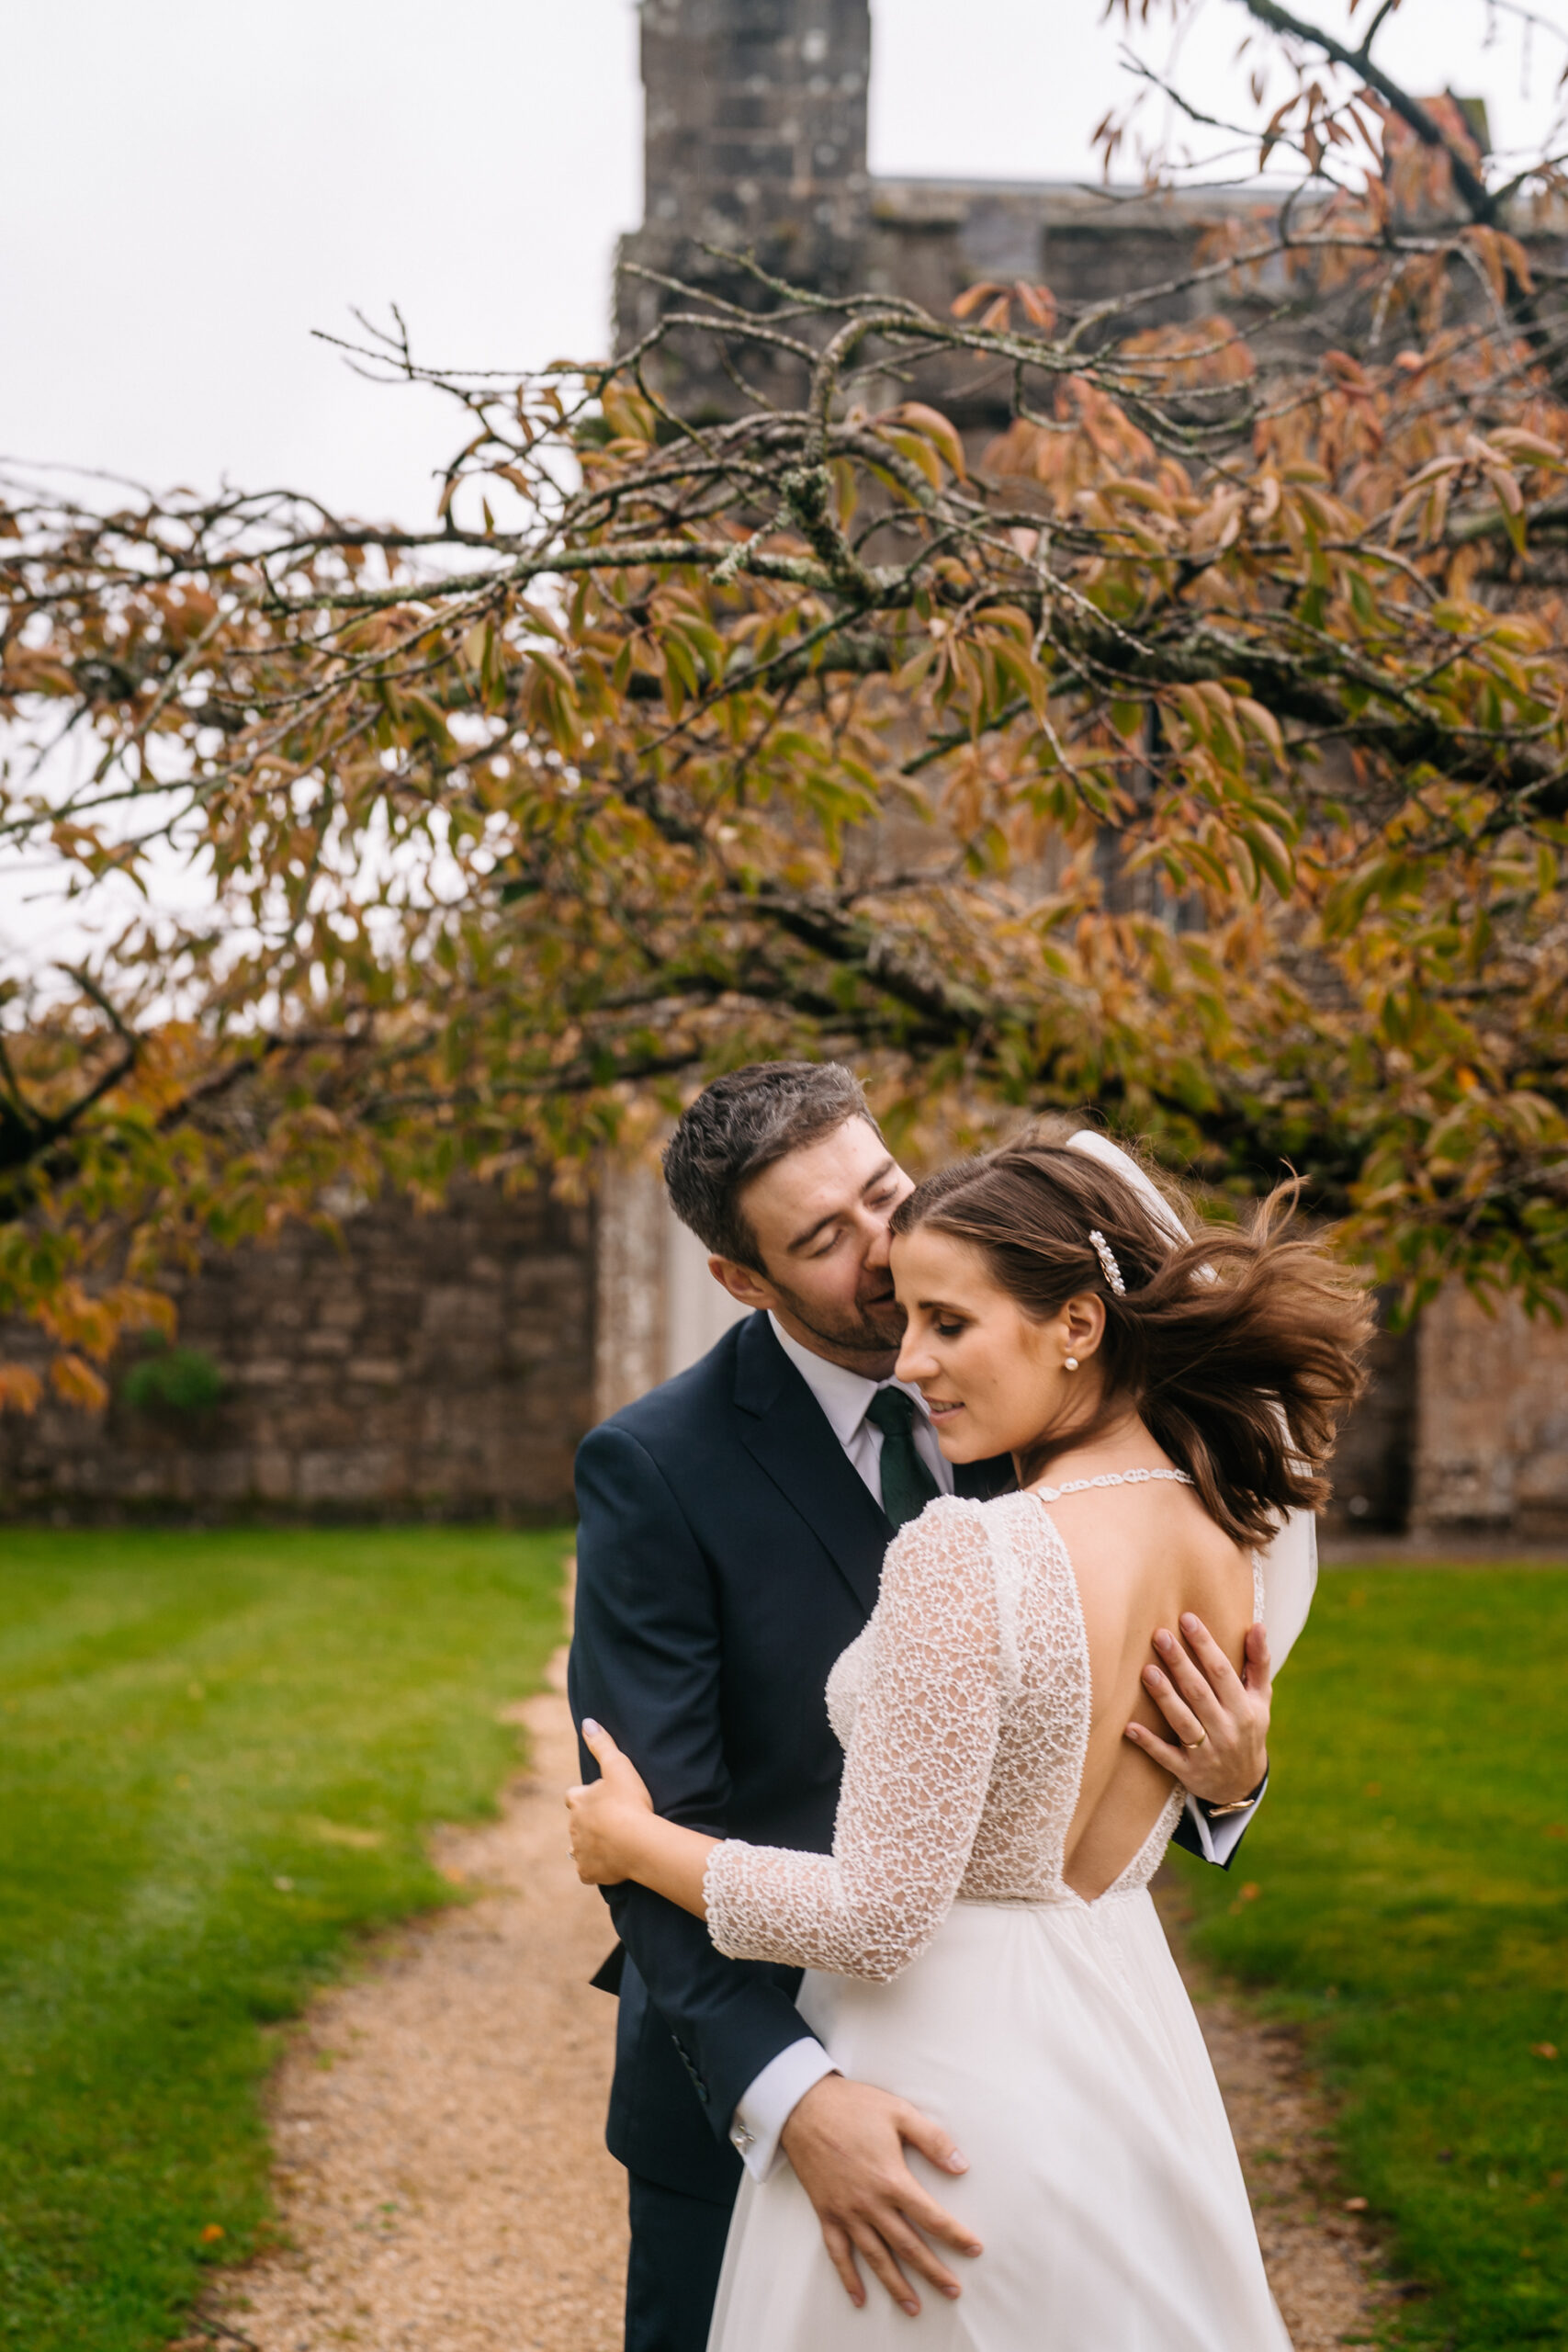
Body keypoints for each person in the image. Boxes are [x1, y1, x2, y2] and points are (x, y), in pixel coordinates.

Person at [568, 1066, 1283, 2352]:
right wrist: (793, 2099)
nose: (888, 1259)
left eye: (883, 1196)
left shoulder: (1042, 1396)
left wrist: (1227, 1782)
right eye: (824, 1240)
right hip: (748, 2087)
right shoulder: (657, 1469)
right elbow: (660, 1806)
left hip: (1041, 2064)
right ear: (745, 1280)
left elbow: (1102, 1714)